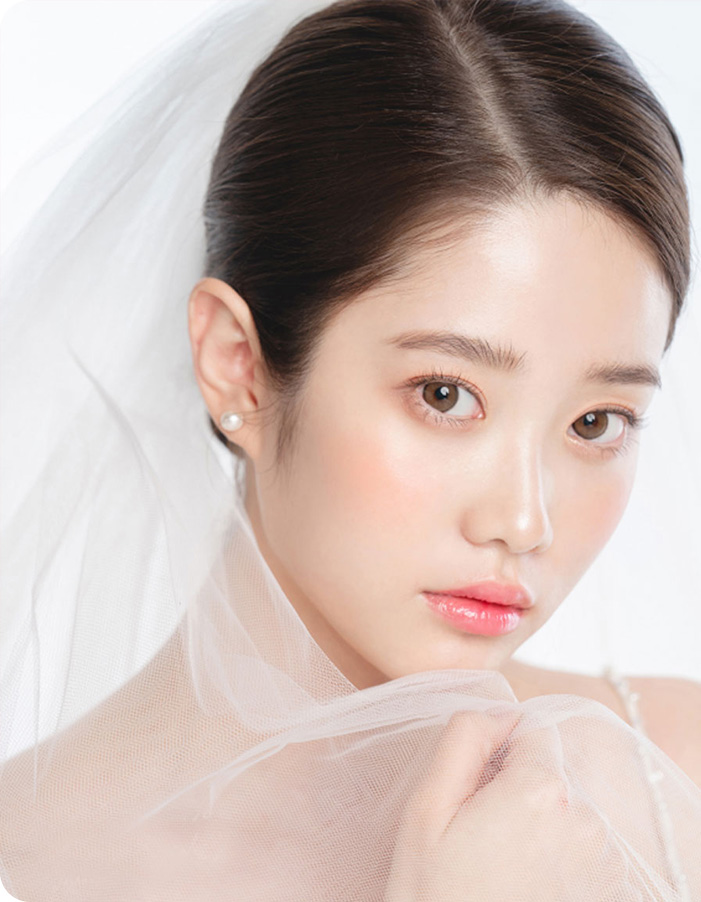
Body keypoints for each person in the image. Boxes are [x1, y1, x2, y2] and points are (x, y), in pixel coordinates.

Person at [1, 0, 700, 899]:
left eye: (595, 422)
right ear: (237, 366)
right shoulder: (28, 863)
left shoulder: (677, 775)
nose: (523, 521)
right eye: (445, 396)